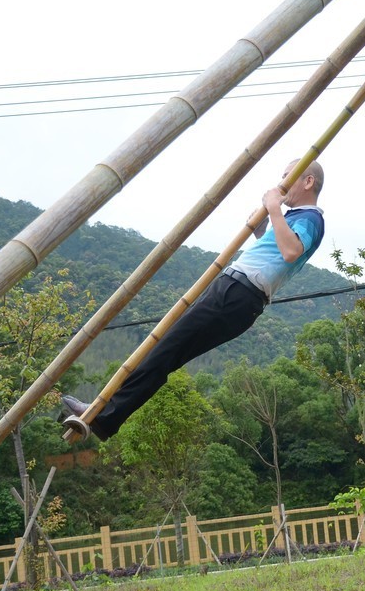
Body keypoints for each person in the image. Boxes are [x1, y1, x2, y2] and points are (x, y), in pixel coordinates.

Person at [62, 160, 325, 440]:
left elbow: (290, 252)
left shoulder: (311, 218)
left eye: (287, 177)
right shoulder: (293, 217)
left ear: (307, 181)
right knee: (164, 352)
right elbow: (274, 248)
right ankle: (103, 415)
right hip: (236, 292)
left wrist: (273, 207)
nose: (281, 184)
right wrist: (263, 226)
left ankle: (103, 415)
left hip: (240, 293)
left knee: (163, 349)